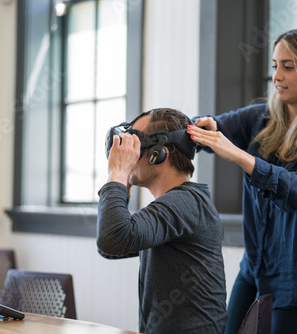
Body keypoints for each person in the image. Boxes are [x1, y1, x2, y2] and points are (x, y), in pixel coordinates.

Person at [187, 27, 297, 334]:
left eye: (289, 67)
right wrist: (199, 127)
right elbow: (213, 128)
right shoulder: (261, 117)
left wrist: (238, 155)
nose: (277, 76)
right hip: (255, 269)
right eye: (275, 66)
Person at [97, 108, 228, 333]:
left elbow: (112, 239)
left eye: (135, 144)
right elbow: (111, 248)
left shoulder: (185, 202)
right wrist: (122, 181)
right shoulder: (179, 203)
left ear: (159, 153)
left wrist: (118, 173)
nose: (129, 152)